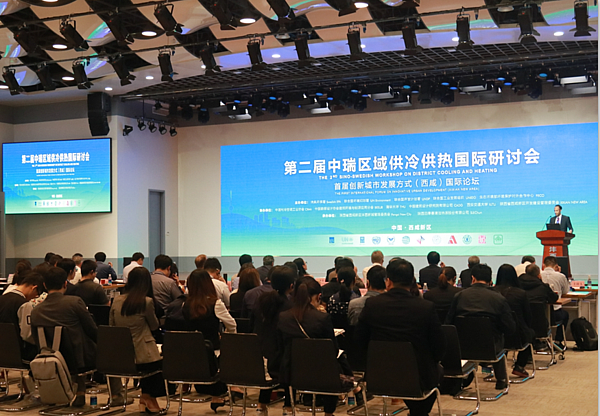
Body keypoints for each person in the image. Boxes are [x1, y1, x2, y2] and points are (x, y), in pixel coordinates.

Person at [357, 259, 446, 416]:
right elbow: (439, 347)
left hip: (379, 373)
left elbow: (360, 341)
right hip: (418, 376)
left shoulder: (372, 305)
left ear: (388, 281)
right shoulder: (425, 307)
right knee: (436, 371)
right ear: (412, 281)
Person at [278, 277, 349, 416]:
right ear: (318, 296)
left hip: (291, 373)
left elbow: (281, 347)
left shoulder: (283, 317)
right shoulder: (322, 318)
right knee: (335, 363)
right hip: (322, 375)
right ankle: (329, 413)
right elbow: (333, 351)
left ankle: (288, 406)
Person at [30, 267, 99, 407]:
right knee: (107, 346)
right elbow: (91, 330)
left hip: (49, 357)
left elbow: (36, 339)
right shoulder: (74, 302)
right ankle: (114, 395)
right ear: (65, 283)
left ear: (44, 285)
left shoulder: (36, 311)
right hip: (79, 359)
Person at [446, 264, 515, 391]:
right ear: (490, 280)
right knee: (498, 336)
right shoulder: (498, 298)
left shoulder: (460, 296)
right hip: (491, 348)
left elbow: (449, 323)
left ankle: (460, 379)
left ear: (472, 278)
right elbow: (509, 328)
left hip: (463, 347)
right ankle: (501, 379)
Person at [110, 267, 169, 413]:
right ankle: (148, 398)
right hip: (143, 354)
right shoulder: (146, 302)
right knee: (157, 365)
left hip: (122, 355)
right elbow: (154, 326)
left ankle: (146, 399)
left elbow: (111, 326)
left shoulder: (116, 301)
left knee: (152, 363)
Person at [253, 266, 296, 413]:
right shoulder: (290, 307)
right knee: (292, 355)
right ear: (291, 286)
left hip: (262, 354)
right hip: (283, 359)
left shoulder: (261, 301)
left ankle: (261, 406)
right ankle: (288, 407)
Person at [494, 264, 535, 378]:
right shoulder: (521, 293)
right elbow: (528, 316)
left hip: (496, 335)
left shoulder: (493, 292)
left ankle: (499, 368)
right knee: (530, 333)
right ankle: (519, 366)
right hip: (518, 335)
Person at [0, 272, 43, 360]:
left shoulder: (2, 298)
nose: (35, 297)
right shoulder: (24, 304)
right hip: (18, 353)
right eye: (37, 294)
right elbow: (27, 335)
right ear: (34, 288)